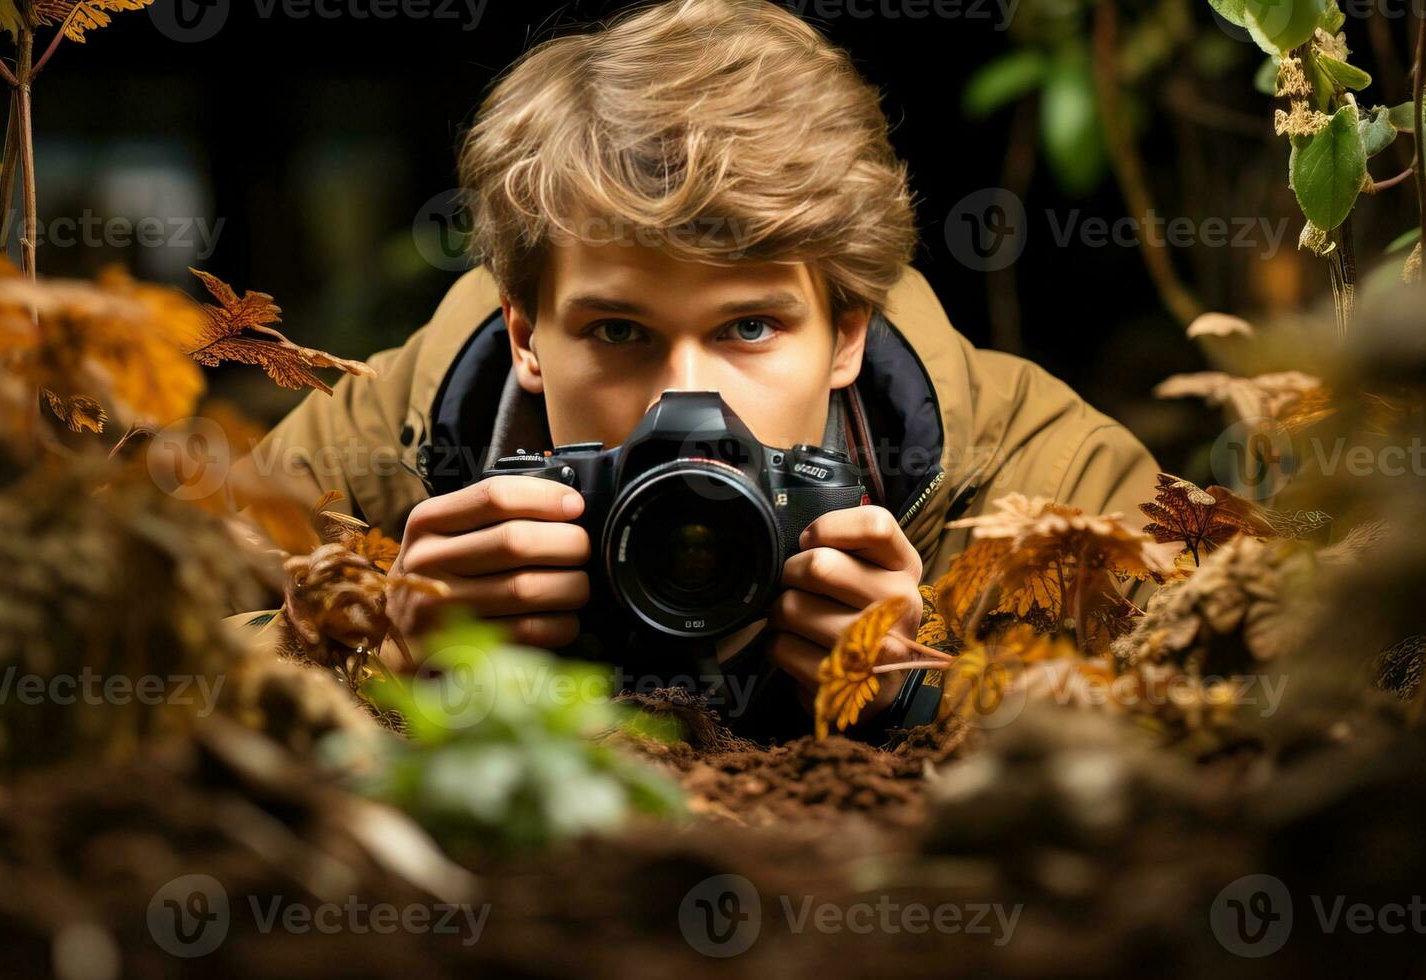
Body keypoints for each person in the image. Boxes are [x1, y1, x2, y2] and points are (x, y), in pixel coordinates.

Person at [243, 0, 1160, 737]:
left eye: (750, 327)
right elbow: (127, 675)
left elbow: (1216, 737)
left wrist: (922, 695)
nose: (688, 398)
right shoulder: (379, 445)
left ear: (847, 336)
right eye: (616, 333)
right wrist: (372, 659)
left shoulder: (1032, 473)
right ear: (523, 334)